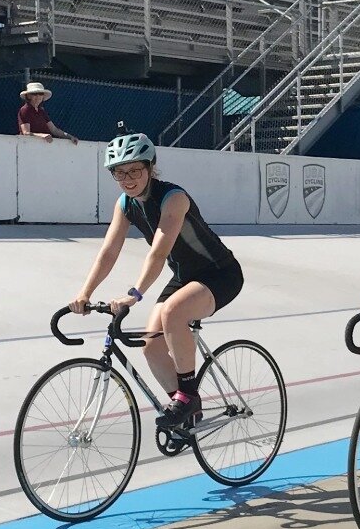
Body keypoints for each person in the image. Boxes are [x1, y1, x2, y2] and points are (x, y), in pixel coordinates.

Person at [69, 131, 244, 443]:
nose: (127, 179)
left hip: (220, 274)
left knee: (174, 313)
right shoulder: (125, 204)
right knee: (151, 345)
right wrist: (85, 293)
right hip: (184, 277)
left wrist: (135, 294)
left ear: (150, 168)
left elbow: (159, 252)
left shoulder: (174, 198)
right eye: (119, 172)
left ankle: (188, 396)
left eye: (135, 170)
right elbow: (109, 252)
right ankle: (186, 412)